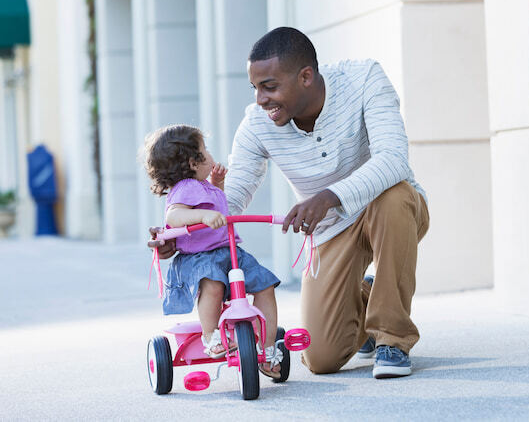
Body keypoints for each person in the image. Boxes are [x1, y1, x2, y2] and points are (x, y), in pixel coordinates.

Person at [150, 27, 429, 379]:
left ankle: (393, 338)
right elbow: (229, 201)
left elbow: (394, 160)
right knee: (322, 358)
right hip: (331, 231)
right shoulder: (257, 124)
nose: (260, 100)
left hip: (390, 210)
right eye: (255, 88)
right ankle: (368, 294)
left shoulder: (364, 79)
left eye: (269, 86)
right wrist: (184, 234)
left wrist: (327, 197)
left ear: (306, 77)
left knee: (394, 196)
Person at [142, 124, 283, 378]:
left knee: (264, 284)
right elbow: (174, 216)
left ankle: (267, 346)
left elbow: (217, 207)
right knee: (213, 284)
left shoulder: (203, 186)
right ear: (192, 162)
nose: (209, 154)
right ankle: (211, 337)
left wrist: (218, 185)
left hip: (228, 252)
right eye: (204, 150)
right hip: (199, 259)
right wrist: (203, 215)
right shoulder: (185, 187)